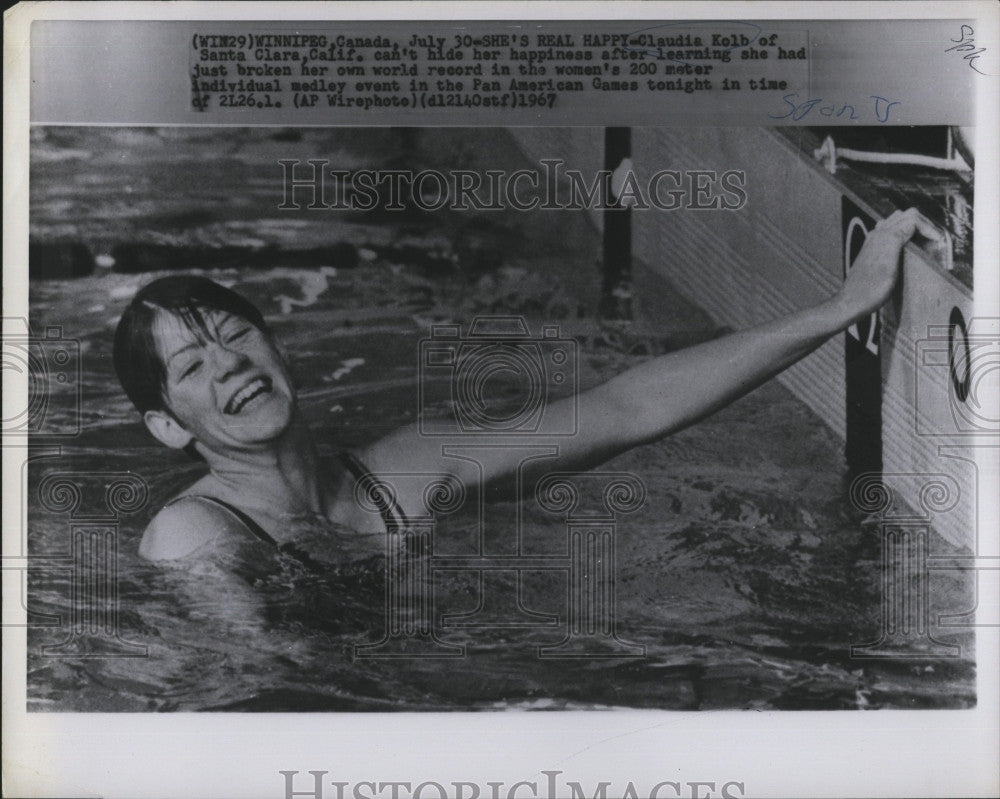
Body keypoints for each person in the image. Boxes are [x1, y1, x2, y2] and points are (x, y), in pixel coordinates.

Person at [114, 208, 940, 562]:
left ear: (275, 344)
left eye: (236, 336)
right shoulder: (195, 538)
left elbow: (626, 406)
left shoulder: (407, 467)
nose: (228, 365)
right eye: (192, 366)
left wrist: (838, 308)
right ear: (166, 426)